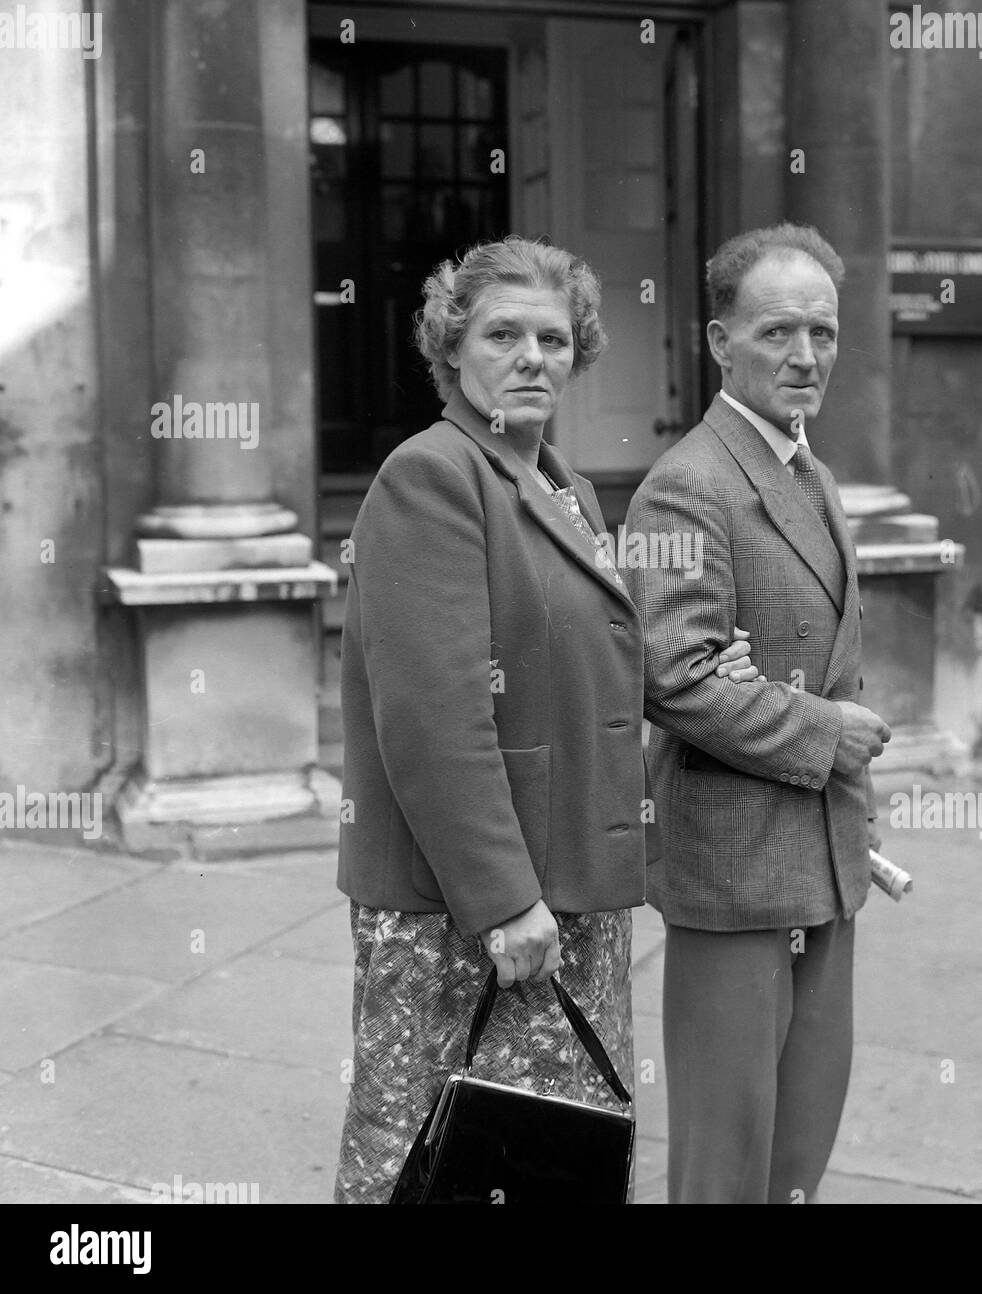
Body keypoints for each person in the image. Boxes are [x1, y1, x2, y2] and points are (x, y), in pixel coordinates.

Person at [332, 235, 760, 1203]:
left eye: (555, 339)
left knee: (546, 1160)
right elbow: (432, 717)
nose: (534, 357)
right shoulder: (430, 477)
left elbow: (570, 652)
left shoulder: (563, 485)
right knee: (439, 1158)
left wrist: (686, 665)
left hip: (569, 888)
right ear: (451, 349)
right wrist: (502, 902)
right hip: (466, 908)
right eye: (503, 334)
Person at [625, 222, 893, 1204]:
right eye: (778, 331)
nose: (806, 356)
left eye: (821, 333)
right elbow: (675, 675)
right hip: (733, 870)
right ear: (718, 343)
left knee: (795, 1155)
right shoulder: (684, 486)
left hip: (821, 858)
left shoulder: (808, 472)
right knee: (723, 1165)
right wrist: (827, 733)